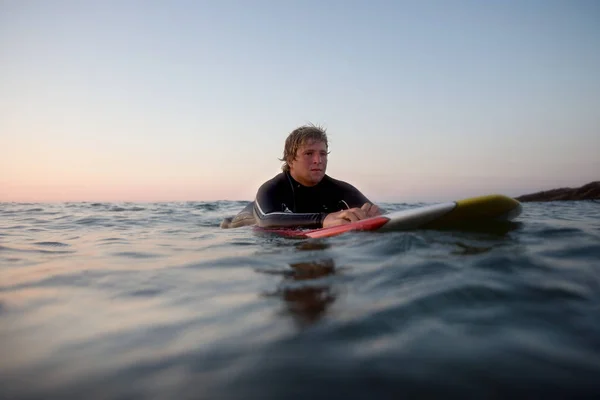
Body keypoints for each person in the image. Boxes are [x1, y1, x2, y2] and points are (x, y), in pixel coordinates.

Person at [221, 124, 382, 229]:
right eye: (309, 153)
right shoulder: (272, 189)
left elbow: (384, 214)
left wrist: (372, 213)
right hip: (236, 225)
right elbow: (266, 220)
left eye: (323, 154)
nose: (318, 160)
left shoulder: (340, 189)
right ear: (291, 160)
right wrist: (322, 219)